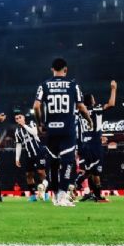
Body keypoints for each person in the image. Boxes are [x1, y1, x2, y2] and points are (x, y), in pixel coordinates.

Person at [33, 57, 93, 207]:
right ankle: (62, 196)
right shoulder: (73, 85)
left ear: (52, 69)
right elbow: (81, 107)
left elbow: (36, 106)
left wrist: (40, 123)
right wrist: (89, 120)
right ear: (65, 70)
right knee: (67, 163)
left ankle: (55, 197)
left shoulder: (44, 85)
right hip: (67, 130)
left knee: (53, 163)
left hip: (51, 130)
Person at [75, 81, 118, 202]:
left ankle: (92, 193)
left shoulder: (79, 112)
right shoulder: (97, 109)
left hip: (84, 144)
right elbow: (111, 104)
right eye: (93, 98)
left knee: (90, 171)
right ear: (92, 100)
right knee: (96, 171)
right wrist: (114, 89)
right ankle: (96, 195)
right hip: (94, 144)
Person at [13, 110, 49, 202]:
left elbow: (34, 133)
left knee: (41, 172)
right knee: (29, 174)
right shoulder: (17, 131)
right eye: (17, 118)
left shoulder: (31, 124)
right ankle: (33, 195)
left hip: (38, 151)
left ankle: (45, 193)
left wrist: (24, 125)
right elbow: (19, 145)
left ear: (24, 118)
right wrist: (17, 158)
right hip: (29, 154)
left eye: (20, 117)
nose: (18, 119)